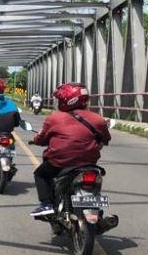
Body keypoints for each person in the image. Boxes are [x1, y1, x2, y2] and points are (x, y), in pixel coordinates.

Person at [30, 82, 111, 218]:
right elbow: (106, 139)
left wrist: (36, 140)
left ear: (66, 101)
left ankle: (46, 204)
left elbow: (41, 139)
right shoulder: (98, 119)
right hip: (88, 163)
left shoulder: (54, 118)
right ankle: (96, 209)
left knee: (40, 174)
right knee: (95, 179)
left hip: (60, 162)